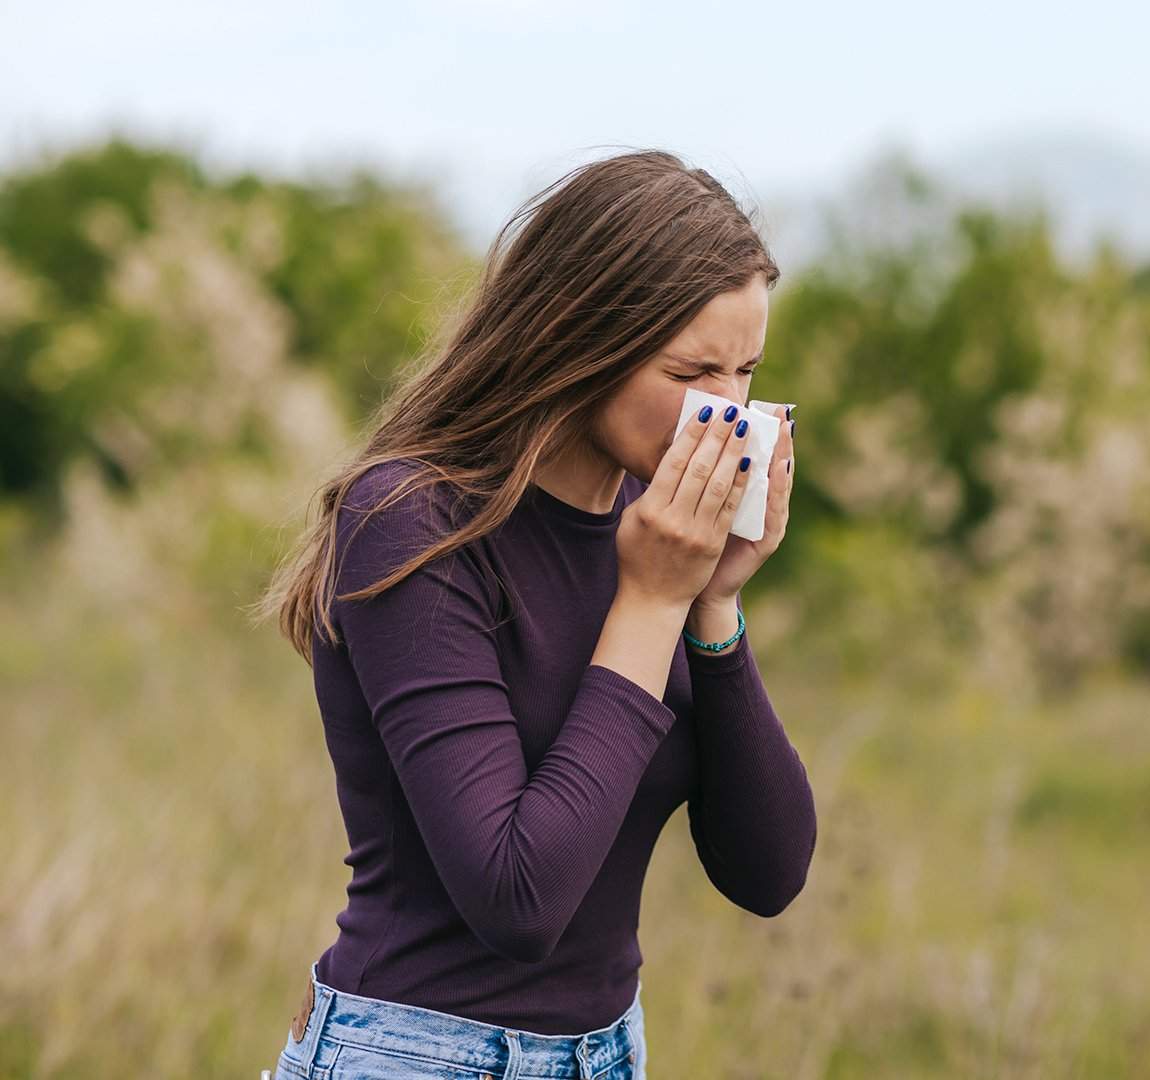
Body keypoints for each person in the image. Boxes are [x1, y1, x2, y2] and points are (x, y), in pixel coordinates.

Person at [251, 149, 816, 1079]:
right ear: (579, 339)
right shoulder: (413, 521)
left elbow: (770, 873)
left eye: (747, 371)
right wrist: (651, 599)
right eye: (693, 373)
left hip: (608, 1052)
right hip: (414, 1053)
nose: (729, 414)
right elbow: (517, 895)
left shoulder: (653, 535)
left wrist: (715, 603)